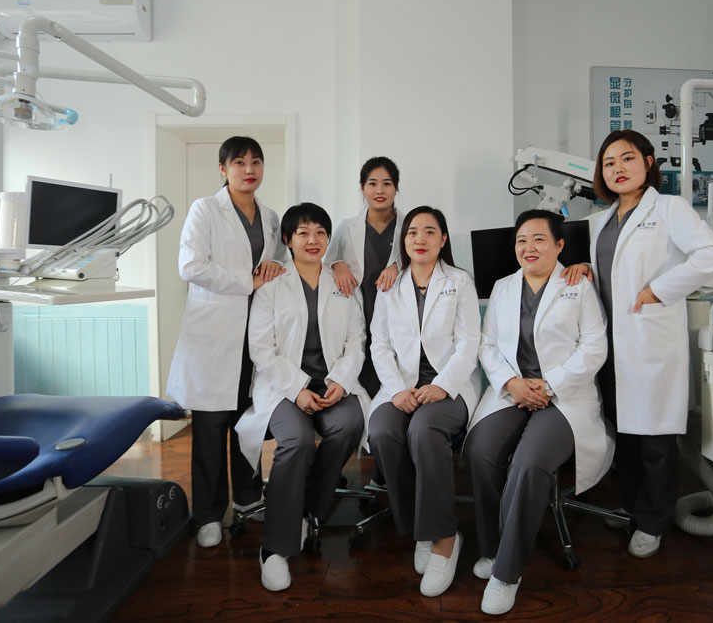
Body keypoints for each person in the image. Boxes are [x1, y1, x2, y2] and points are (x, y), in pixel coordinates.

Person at [564, 129, 713, 559]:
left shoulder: (670, 208)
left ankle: (653, 521)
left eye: (627, 158)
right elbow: (609, 272)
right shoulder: (601, 220)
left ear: (648, 162)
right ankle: (632, 506)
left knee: (654, 439)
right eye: (609, 163)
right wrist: (586, 268)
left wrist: (660, 289)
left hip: (648, 341)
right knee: (624, 435)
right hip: (610, 346)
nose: (617, 168)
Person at [465, 209, 612, 616]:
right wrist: (512, 384)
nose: (528, 247)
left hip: (564, 395)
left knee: (529, 463)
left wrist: (549, 386)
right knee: (479, 450)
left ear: (559, 245)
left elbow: (594, 348)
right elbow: (487, 345)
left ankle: (507, 572)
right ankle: (493, 548)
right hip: (512, 390)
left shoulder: (577, 285)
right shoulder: (503, 287)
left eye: (539, 239)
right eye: (521, 240)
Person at [234, 202, 368, 593]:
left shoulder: (341, 282)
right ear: (288, 240)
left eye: (320, 232)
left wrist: (340, 380)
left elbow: (356, 340)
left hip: (332, 384)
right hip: (282, 387)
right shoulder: (273, 284)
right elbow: (261, 349)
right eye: (303, 233)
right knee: (297, 440)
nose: (313, 240)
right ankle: (275, 547)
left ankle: (308, 509)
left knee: (349, 424)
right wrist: (296, 389)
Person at [165, 136, 284, 550]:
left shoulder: (271, 217)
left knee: (248, 421)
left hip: (255, 335)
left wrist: (273, 266)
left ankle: (248, 499)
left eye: (256, 161)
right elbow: (190, 265)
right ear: (223, 169)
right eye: (239, 162)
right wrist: (246, 282)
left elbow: (279, 260)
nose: (249, 169)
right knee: (211, 429)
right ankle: (208, 514)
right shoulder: (205, 209)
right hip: (214, 336)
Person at [367, 206, 481, 597]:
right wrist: (396, 389)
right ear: (404, 240)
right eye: (413, 232)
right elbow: (379, 343)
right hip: (401, 384)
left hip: (450, 384)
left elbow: (469, 342)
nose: (420, 238)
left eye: (430, 231)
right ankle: (422, 525)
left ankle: (444, 537)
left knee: (424, 429)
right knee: (382, 431)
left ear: (443, 239)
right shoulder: (391, 285)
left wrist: (443, 386)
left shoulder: (460, 281)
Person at [325, 157, 404, 397]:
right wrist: (338, 265)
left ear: (396, 188)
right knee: (363, 370)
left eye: (387, 183)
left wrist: (397, 265)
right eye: (372, 183)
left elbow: (423, 260)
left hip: (397, 312)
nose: (379, 190)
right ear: (362, 188)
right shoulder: (347, 227)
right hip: (360, 308)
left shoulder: (408, 226)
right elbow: (326, 262)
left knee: (397, 372)